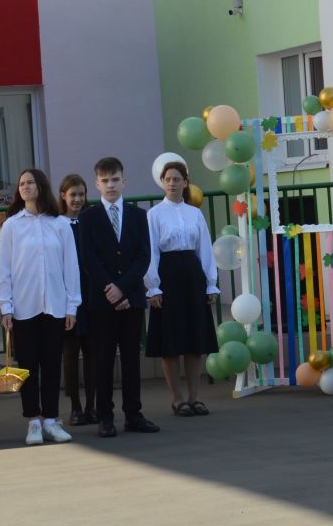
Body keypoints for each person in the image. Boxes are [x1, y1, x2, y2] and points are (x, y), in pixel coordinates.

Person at [0, 168, 81, 444]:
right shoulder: (11, 225)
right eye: (21, 183)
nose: (24, 187)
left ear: (41, 186)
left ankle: (51, 420)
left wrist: (72, 306)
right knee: (28, 365)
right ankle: (32, 421)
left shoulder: (60, 224)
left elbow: (71, 267)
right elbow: (4, 268)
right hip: (24, 305)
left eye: (30, 182)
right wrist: (5, 307)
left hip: (54, 305)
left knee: (52, 364)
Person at [76, 157, 161, 437]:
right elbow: (88, 258)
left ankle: (133, 414)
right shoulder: (88, 218)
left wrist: (123, 288)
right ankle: (105, 416)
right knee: (103, 359)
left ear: (124, 181)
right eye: (105, 180)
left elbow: (143, 256)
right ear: (96, 184)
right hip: (102, 300)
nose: (110, 185)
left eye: (115, 179)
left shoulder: (138, 215)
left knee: (131, 359)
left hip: (131, 298)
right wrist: (111, 290)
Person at [145, 161, 220, 415]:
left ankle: (194, 397)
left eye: (177, 179)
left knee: (194, 339)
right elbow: (151, 251)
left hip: (192, 276)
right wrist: (153, 287)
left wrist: (211, 283)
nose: (172, 183)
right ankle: (177, 399)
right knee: (170, 341)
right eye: (168, 179)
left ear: (185, 182)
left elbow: (204, 248)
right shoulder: (154, 214)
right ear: (162, 183)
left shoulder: (195, 213)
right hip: (167, 276)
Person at [57, 173, 94, 426]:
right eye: (73, 195)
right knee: (70, 352)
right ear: (63, 196)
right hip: (67, 294)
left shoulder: (91, 220)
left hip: (91, 292)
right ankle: (75, 407)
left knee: (92, 351)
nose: (77, 199)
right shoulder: (57, 223)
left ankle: (92, 405)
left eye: (81, 194)